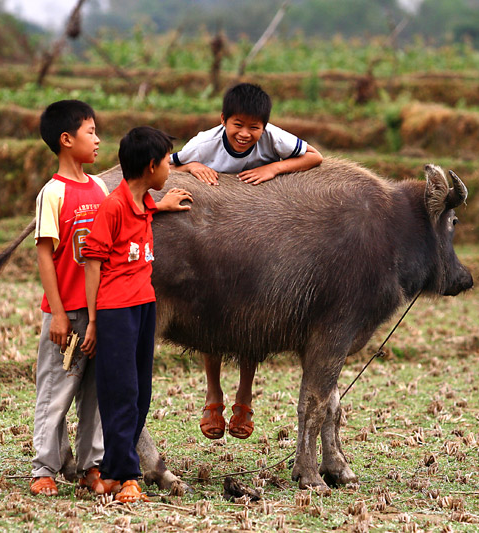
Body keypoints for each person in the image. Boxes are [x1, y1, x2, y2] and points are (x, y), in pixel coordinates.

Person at [30, 102, 190, 497]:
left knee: (97, 396)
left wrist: (158, 204)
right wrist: (61, 315)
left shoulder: (99, 188)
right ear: (67, 140)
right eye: (90, 132)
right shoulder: (53, 193)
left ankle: (90, 467)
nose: (98, 138)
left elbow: (127, 215)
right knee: (57, 389)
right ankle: (44, 468)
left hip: (102, 308)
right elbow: (45, 257)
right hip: (69, 311)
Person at [170, 82, 324, 441]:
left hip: (259, 234)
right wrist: (193, 167)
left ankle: (244, 394)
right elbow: (167, 163)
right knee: (209, 314)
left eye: (254, 127)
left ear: (265, 127)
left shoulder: (274, 139)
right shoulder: (204, 143)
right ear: (223, 120)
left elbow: (315, 157)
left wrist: (274, 169)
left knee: (252, 315)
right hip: (212, 236)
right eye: (237, 125)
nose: (245, 134)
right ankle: (213, 395)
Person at [83, 126, 180, 503]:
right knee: (120, 392)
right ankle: (127, 477)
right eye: (168, 160)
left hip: (144, 305)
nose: (171, 167)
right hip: (116, 310)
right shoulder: (114, 206)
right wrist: (93, 321)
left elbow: (144, 213)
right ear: (152, 166)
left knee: (140, 392)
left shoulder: (142, 204)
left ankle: (110, 472)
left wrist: (162, 205)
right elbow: (93, 263)